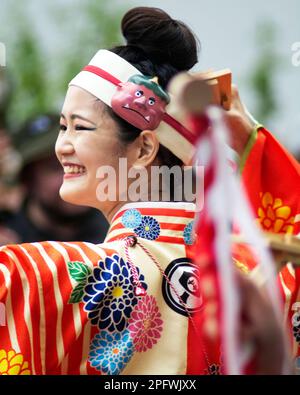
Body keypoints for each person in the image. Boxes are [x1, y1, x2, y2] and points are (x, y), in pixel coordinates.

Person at [0, 7, 298, 375]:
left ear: (143, 148)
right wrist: (253, 139)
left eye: (80, 128)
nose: (62, 145)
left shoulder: (49, 277)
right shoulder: (264, 275)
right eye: (63, 127)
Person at [0, 114, 108, 245]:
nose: (74, 173)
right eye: (56, 167)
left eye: (81, 161)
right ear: (28, 180)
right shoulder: (10, 244)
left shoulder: (117, 232)